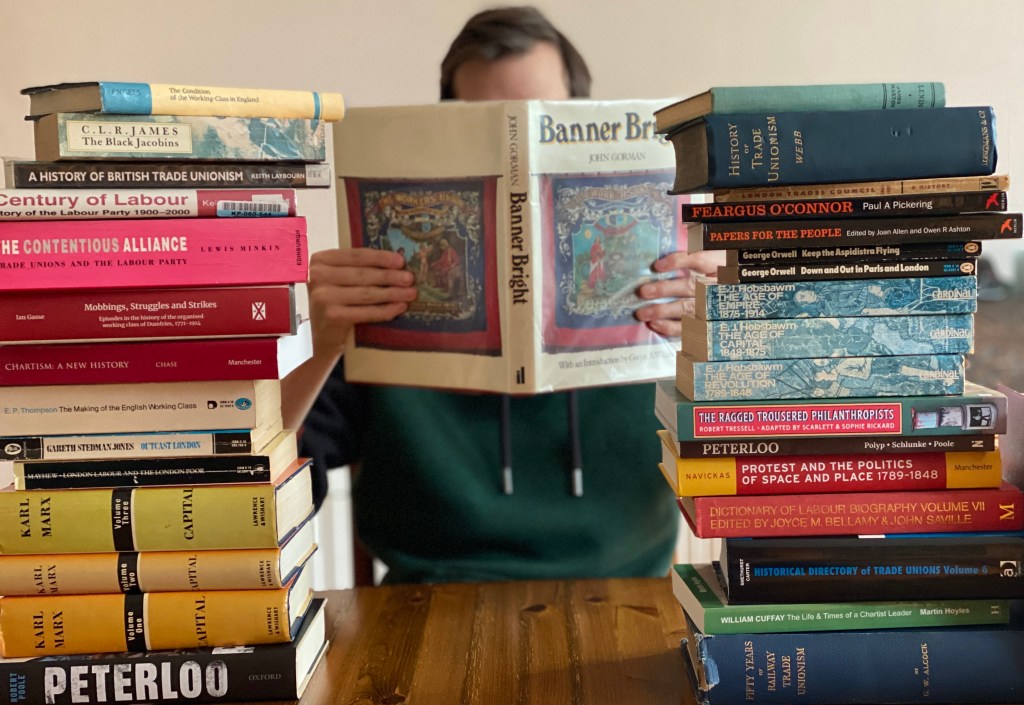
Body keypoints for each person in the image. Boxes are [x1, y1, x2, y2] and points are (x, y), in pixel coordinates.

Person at [283, 6, 722, 584]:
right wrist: (319, 345)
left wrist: (730, 333)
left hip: (633, 597)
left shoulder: (667, 282)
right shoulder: (386, 291)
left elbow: (767, 475)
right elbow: (262, 495)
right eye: (486, 124)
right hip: (423, 604)